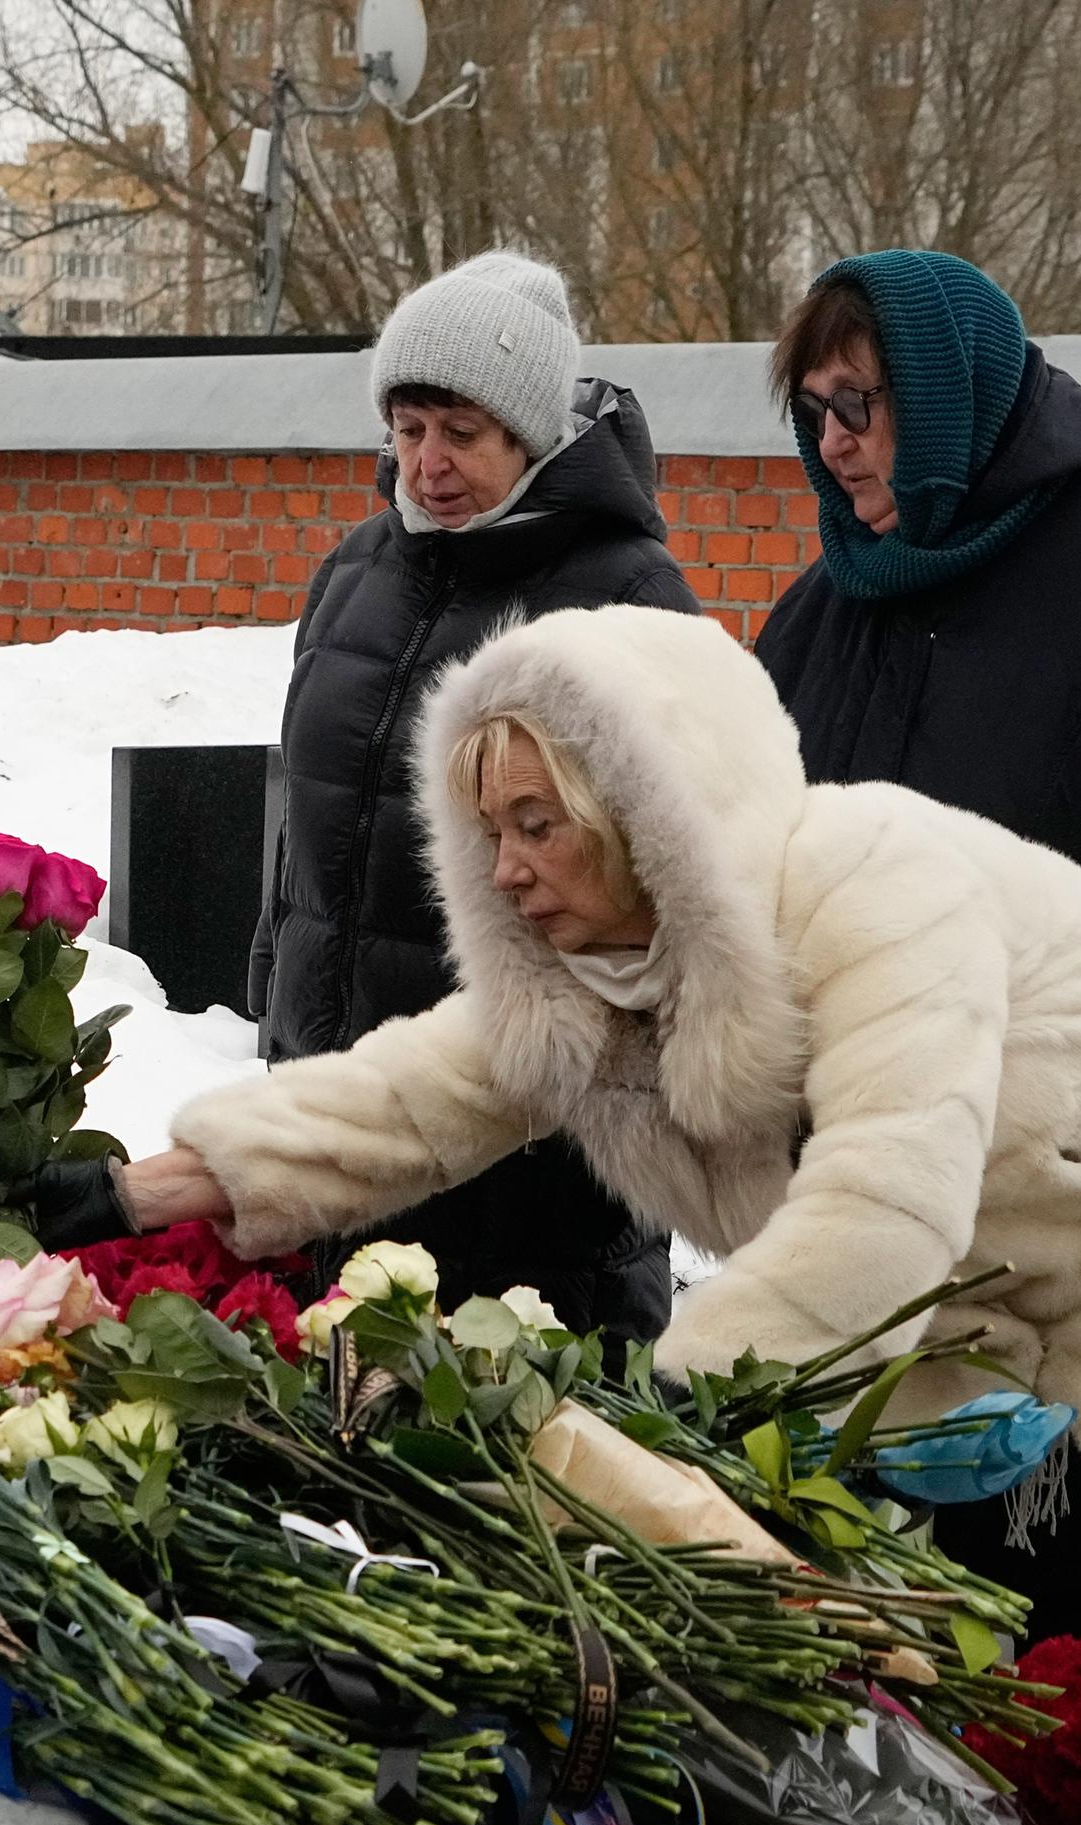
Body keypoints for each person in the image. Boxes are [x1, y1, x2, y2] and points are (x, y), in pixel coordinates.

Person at [105, 603, 1081, 1638]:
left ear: (643, 813)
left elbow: (886, 1196)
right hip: (993, 1333)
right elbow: (407, 1101)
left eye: (538, 824)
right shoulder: (606, 974)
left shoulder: (875, 879)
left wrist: (672, 1420)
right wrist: (134, 1194)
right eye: (488, 835)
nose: (506, 868)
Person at [245, 247, 699, 1336]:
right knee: (343, 1444)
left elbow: (678, 887)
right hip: (341, 1110)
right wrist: (275, 1010)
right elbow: (301, 819)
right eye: (407, 429)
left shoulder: (626, 599)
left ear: (531, 436)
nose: (428, 464)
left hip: (532, 1159)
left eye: (463, 434)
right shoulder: (355, 571)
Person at [759, 249, 1081, 890]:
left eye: (854, 402)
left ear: (942, 392)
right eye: (814, 409)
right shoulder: (817, 609)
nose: (832, 440)